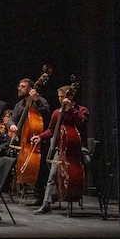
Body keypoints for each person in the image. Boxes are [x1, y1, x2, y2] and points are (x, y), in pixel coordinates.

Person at [33, 84, 90, 214]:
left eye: (62, 97)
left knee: (87, 163)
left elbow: (82, 122)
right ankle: (46, 203)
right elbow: (51, 130)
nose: (60, 99)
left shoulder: (82, 110)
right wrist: (40, 137)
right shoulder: (56, 113)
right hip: (62, 149)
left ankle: (76, 191)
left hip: (79, 148)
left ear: (70, 97)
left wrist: (71, 110)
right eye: (59, 97)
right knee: (52, 175)